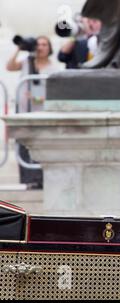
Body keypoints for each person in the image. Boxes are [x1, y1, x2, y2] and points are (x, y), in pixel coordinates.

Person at [6, 35, 58, 189]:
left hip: (42, 114)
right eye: (38, 44)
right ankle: (29, 179)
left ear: (49, 48)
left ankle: (41, 179)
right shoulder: (26, 62)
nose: (40, 47)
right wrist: (19, 48)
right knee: (23, 146)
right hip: (23, 112)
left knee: (41, 146)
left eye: (44, 44)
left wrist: (36, 99)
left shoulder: (53, 69)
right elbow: (9, 66)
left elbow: (54, 93)